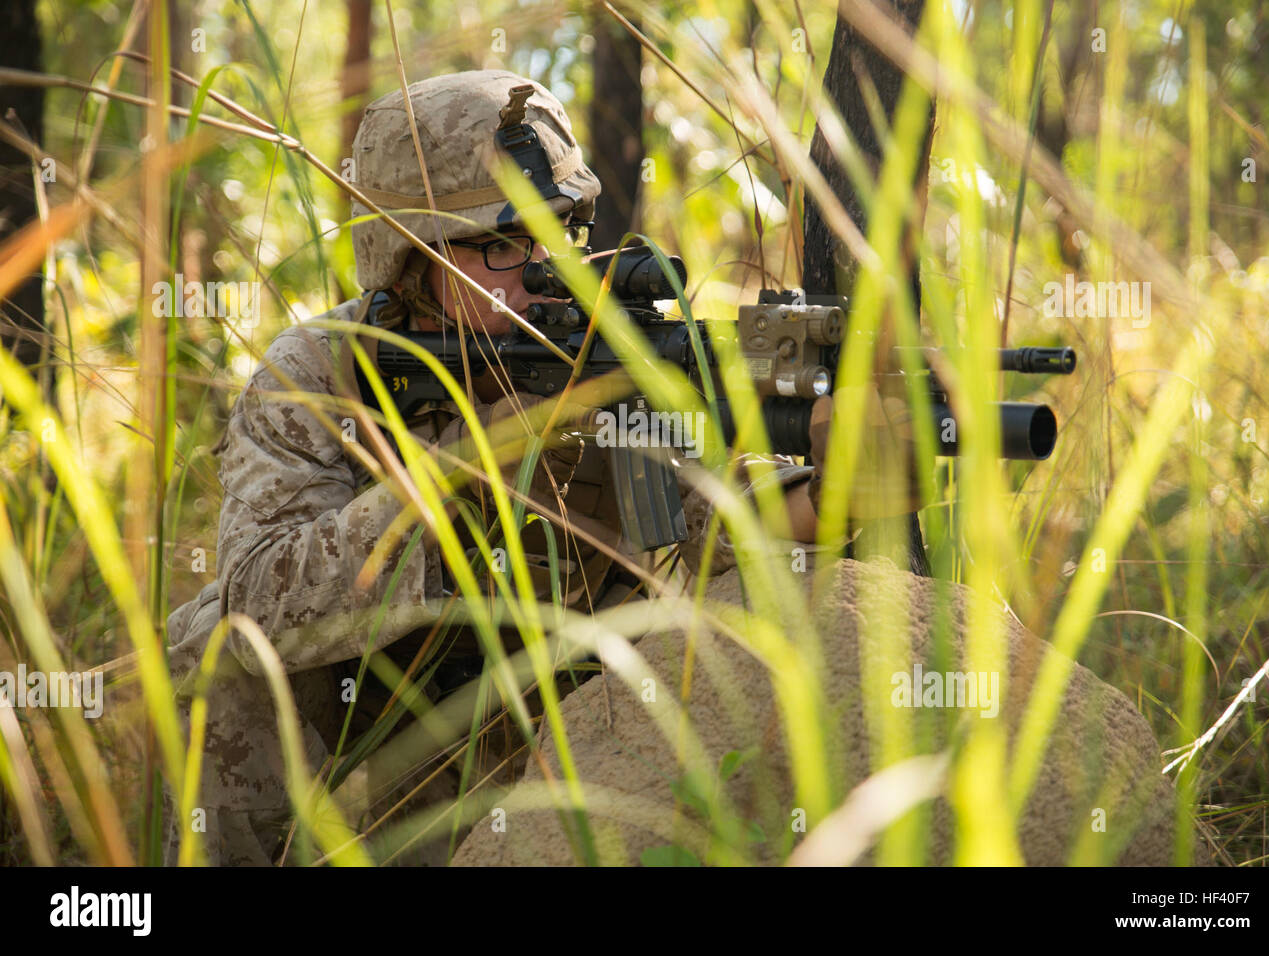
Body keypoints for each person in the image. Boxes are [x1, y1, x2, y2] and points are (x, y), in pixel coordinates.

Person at [163, 69, 909, 866]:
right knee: (209, 644)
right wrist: (467, 468)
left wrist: (838, 490)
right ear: (409, 254)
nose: (540, 267)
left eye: (559, 232)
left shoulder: (598, 347)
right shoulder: (320, 372)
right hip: (356, 729)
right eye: (501, 244)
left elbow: (717, 512)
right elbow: (260, 600)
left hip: (540, 731)